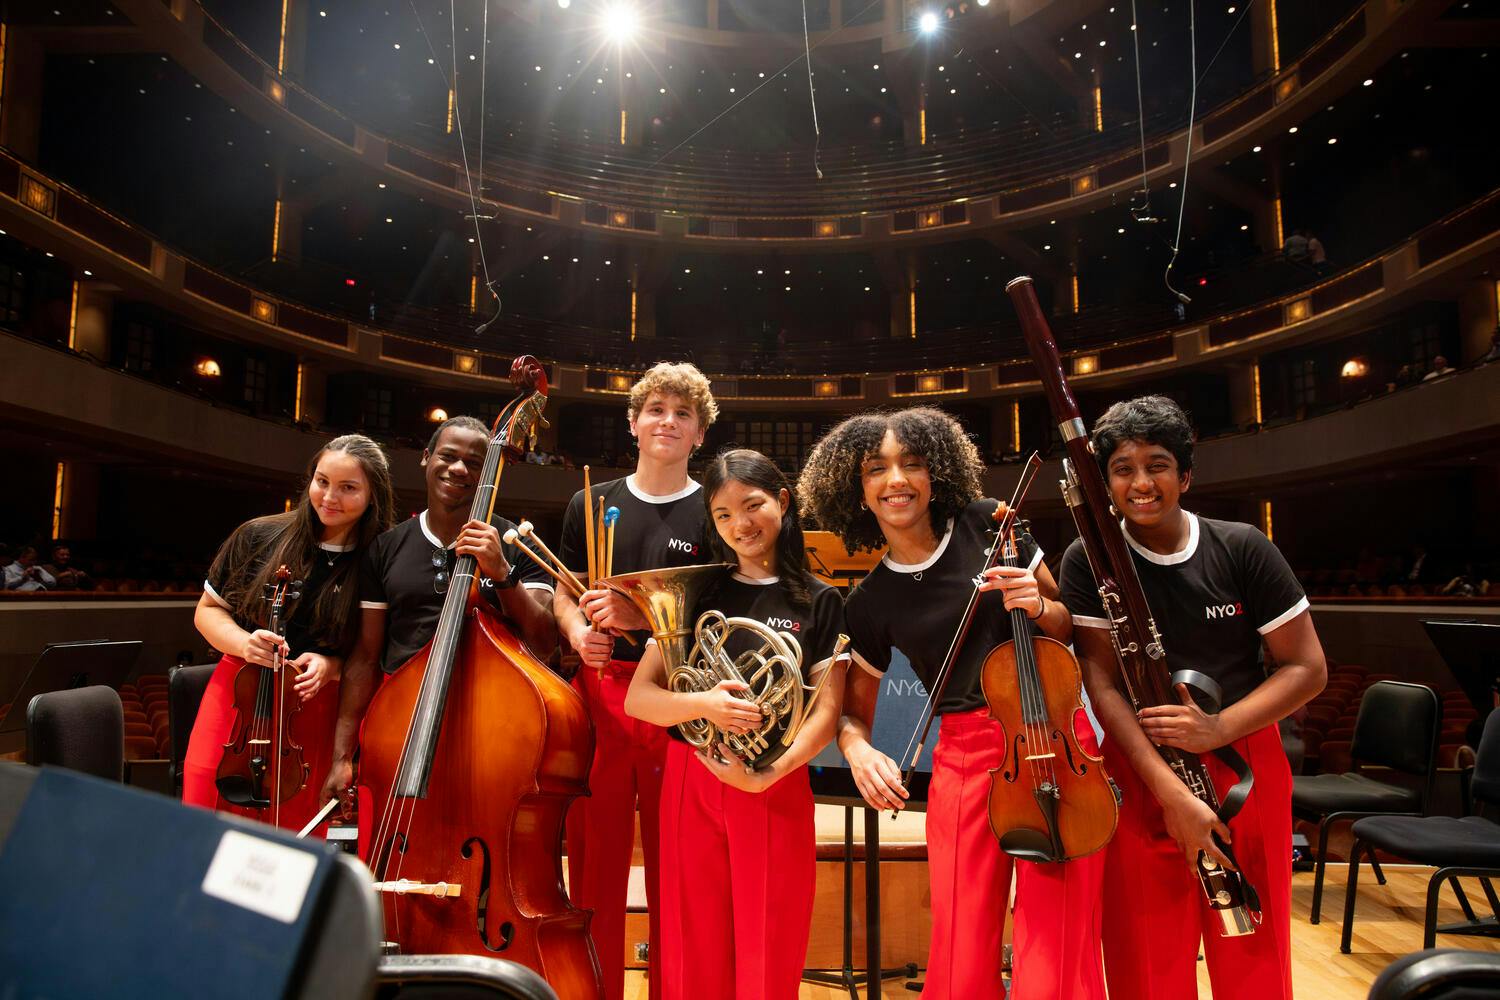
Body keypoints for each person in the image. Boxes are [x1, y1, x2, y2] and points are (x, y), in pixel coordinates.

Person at [797, 407, 1106, 1000]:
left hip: (1053, 736)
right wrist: (857, 748)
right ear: (856, 490)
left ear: (936, 473)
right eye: (876, 469)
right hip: (963, 756)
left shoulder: (988, 523)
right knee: (963, 937)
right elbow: (855, 712)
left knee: (1058, 932)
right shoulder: (869, 601)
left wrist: (1038, 607)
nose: (897, 480)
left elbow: (1066, 628)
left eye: (912, 463)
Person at [1056, 395, 1326, 1000]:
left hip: (1242, 763)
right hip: (1140, 765)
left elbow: (1306, 669)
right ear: (1104, 483)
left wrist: (1217, 730)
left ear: (1185, 475)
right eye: (1122, 468)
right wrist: (1170, 791)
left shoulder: (1242, 546)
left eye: (1156, 464)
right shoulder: (1087, 558)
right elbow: (1100, 682)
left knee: (1252, 949)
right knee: (1144, 955)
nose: (1140, 482)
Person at [624, 449, 849, 1000]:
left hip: (774, 779)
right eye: (723, 515)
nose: (740, 525)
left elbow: (826, 713)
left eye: (752, 506)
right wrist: (706, 705)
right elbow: (639, 699)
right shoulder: (698, 591)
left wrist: (770, 774)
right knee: (690, 941)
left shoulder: (821, 601)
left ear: (783, 502)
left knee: (768, 940)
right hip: (691, 775)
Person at [554, 361, 719, 1000]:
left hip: (679, 704)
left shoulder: (713, 507)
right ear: (633, 422)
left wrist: (643, 617)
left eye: (683, 414)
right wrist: (576, 631)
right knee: (595, 859)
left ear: (700, 433)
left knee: (676, 866)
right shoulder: (590, 503)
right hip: (600, 700)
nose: (668, 422)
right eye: (656, 410)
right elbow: (565, 594)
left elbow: (723, 607)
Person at [319, 415, 558, 819]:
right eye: (448, 456)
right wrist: (342, 756)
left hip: (492, 722)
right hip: (401, 720)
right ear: (427, 458)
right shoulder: (385, 548)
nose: (459, 468)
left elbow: (545, 643)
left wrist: (502, 574)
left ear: (491, 474)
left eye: (475, 462)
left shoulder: (517, 543)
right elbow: (364, 657)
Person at [182, 434, 396, 836]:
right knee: (206, 822)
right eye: (322, 481)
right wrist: (245, 643)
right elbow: (208, 612)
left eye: (348, 488)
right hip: (239, 698)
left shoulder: (380, 559)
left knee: (294, 835)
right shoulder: (259, 536)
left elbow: (376, 651)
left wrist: (332, 665)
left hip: (314, 706)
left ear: (373, 496)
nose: (329, 497)